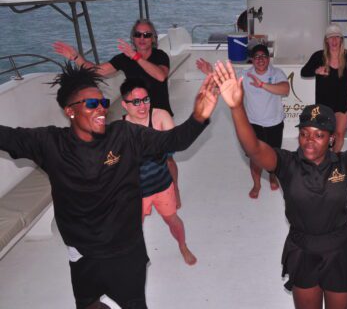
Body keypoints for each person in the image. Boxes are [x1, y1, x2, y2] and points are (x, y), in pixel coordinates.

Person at [0, 63, 216, 308]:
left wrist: (199, 116)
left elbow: (174, 140)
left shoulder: (125, 135)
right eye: (92, 104)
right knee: (88, 304)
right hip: (82, 252)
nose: (101, 109)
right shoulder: (49, 143)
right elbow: (6, 136)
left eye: (103, 103)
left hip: (125, 249)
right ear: (70, 111)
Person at [213, 60, 347, 309]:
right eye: (304, 133)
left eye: (319, 135)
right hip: (302, 250)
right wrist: (236, 108)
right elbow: (253, 148)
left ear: (332, 139)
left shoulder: (345, 163)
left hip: (340, 250)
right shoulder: (285, 163)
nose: (309, 141)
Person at [53, 19, 183, 207]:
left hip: (159, 115)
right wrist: (76, 57)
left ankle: (174, 189)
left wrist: (136, 57)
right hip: (134, 117)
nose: (142, 38)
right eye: (138, 34)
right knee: (133, 158)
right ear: (133, 37)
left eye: (147, 35)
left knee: (167, 158)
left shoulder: (159, 56)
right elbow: (96, 71)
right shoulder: (124, 58)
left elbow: (160, 75)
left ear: (153, 38)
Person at [196, 44, 290, 198]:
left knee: (274, 155)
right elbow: (225, 82)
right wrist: (210, 72)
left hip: (274, 123)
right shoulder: (245, 75)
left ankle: (273, 177)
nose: (260, 59)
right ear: (252, 60)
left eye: (263, 56)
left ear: (269, 59)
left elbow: (285, 89)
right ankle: (257, 184)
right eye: (257, 57)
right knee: (254, 157)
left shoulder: (277, 73)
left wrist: (262, 85)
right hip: (253, 123)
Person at [120, 78, 197, 265]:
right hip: (136, 191)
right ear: (124, 105)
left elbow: (174, 145)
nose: (142, 106)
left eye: (146, 100)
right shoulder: (120, 129)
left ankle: (183, 246)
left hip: (162, 184)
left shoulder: (160, 116)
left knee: (173, 221)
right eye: (135, 102)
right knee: (134, 228)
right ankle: (139, 255)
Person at [301, 23, 347, 153]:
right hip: (323, 104)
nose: (334, 40)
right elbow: (304, 72)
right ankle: (323, 160)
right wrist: (317, 71)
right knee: (323, 136)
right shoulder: (318, 56)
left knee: (339, 135)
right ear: (326, 40)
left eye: (337, 37)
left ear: (341, 40)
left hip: (342, 103)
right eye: (331, 37)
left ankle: (334, 160)